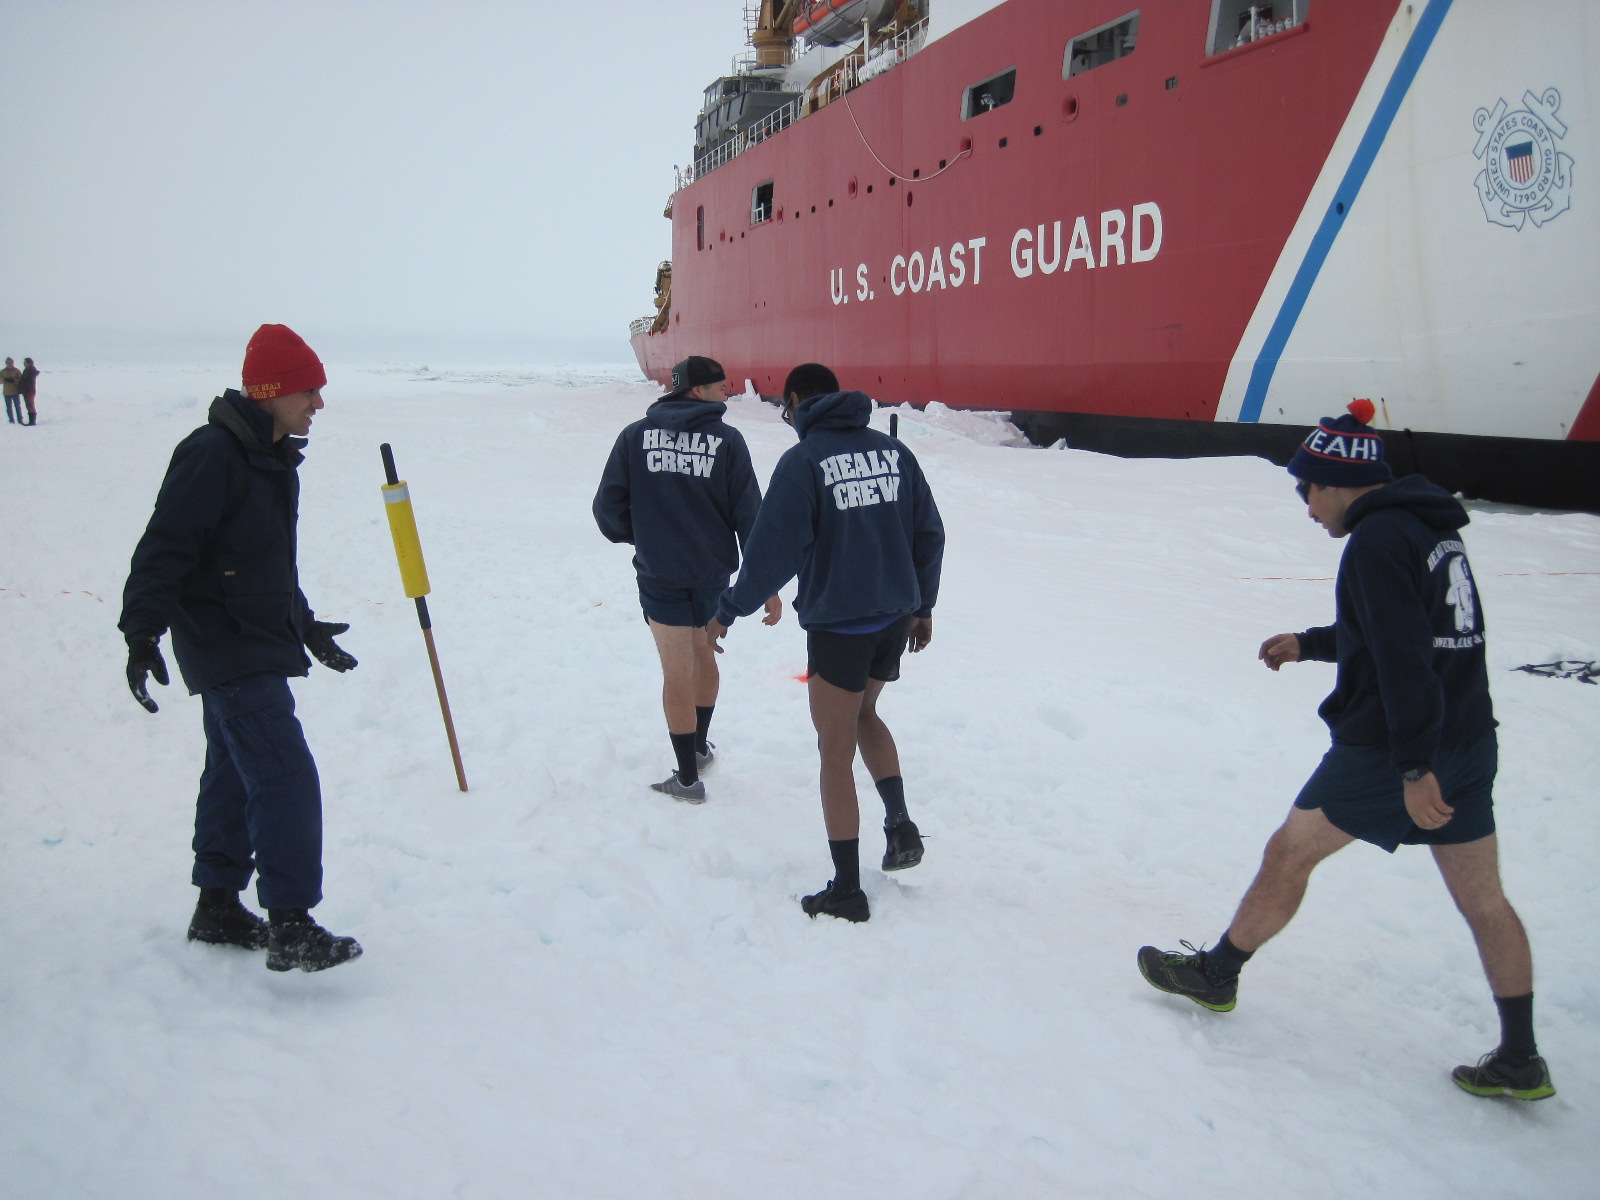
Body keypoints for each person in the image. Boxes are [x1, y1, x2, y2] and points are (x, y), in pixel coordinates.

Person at [1137, 400, 1554, 1101]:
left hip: (1391, 748)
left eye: (1305, 490)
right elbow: (1402, 629)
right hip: (1468, 740)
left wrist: (1413, 767)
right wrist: (1310, 644)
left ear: (1334, 482)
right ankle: (1520, 1055)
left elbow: (1402, 659)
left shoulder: (1376, 540)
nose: (1306, 508)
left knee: (1289, 852)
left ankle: (1217, 974)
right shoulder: (1429, 527)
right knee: (1485, 899)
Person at [119, 324, 362, 973]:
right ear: (272, 391)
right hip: (225, 643)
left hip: (253, 638)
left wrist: (304, 626)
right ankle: (291, 922)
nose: (318, 404)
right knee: (284, 775)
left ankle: (218, 905)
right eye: (308, 391)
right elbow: (164, 547)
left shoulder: (271, 459)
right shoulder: (212, 454)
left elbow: (264, 563)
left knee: (232, 771)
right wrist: (141, 632)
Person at [707, 363, 944, 923]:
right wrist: (923, 606)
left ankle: (847, 890)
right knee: (866, 713)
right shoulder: (894, 453)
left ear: (794, 401)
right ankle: (899, 824)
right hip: (893, 619)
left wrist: (728, 611)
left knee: (834, 752)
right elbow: (929, 532)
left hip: (840, 627)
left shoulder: (804, 461)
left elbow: (772, 552)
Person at [593, 355, 781, 802]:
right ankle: (697, 749)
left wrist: (643, 536)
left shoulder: (634, 436)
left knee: (676, 670)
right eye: (720, 384)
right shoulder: (728, 441)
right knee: (703, 654)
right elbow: (751, 517)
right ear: (697, 390)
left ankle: (687, 778)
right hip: (712, 573)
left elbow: (606, 508)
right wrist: (766, 583)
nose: (728, 389)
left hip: (660, 573)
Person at [19, 357, 39, 425]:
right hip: (28, 390)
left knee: (30, 405)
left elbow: (27, 381)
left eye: (25, 362)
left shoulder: (30, 370)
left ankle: (32, 421)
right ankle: (31, 421)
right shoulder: (28, 370)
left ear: (28, 363)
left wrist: (24, 388)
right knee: (29, 405)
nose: (24, 364)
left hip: (29, 390)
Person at [1, 358, 21, 425]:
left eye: (11, 363)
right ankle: (11, 420)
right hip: (6, 392)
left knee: (17, 406)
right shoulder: (3, 371)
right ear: (6, 363)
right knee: (9, 408)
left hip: (15, 391)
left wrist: (14, 380)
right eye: (8, 363)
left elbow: (20, 380)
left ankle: (20, 419)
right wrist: (4, 380)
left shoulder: (17, 370)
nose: (10, 364)